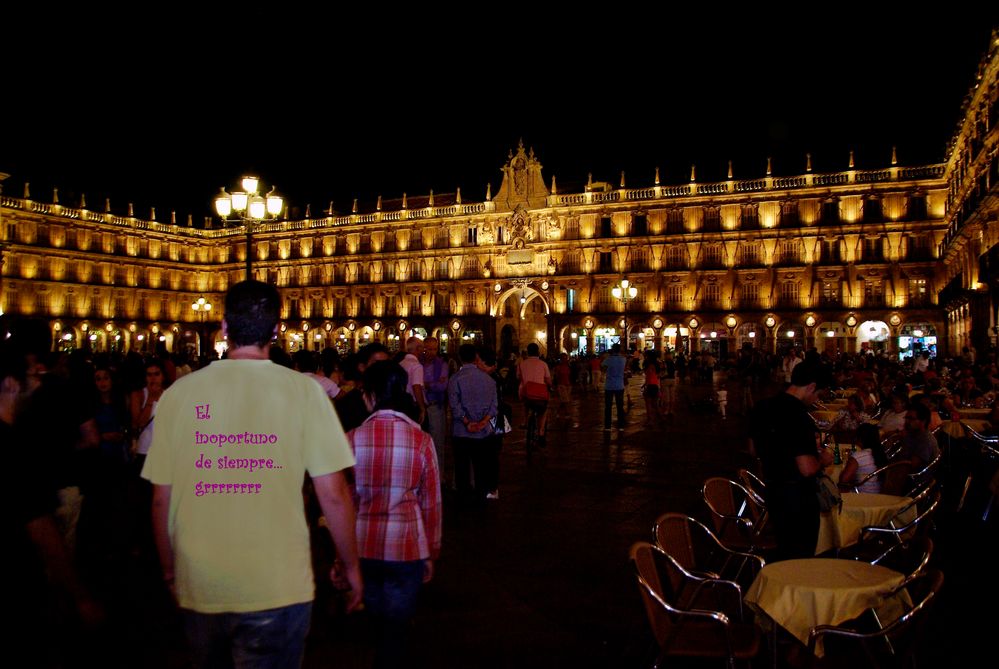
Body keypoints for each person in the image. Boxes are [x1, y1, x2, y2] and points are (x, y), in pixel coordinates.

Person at [142, 280, 362, 668]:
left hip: (201, 582)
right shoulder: (305, 392)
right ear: (277, 330)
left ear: (224, 327)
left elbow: (161, 497)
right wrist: (351, 566)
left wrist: (169, 571)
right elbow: (334, 494)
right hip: (279, 585)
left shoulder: (178, 394)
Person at [347, 360, 442, 668]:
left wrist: (341, 557)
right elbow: (432, 503)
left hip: (363, 546)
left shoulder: (350, 439)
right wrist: (431, 550)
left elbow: (344, 503)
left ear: (370, 396)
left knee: (375, 622)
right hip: (406, 548)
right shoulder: (422, 440)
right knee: (397, 627)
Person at [749, 362, 834, 560]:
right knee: (800, 556)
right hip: (798, 498)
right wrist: (823, 459)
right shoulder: (799, 416)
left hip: (772, 490)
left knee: (783, 550)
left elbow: (753, 450)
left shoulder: (762, 407)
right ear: (812, 387)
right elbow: (806, 468)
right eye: (818, 394)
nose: (816, 400)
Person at [448, 343, 499, 503]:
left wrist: (467, 422)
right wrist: (483, 422)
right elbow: (494, 406)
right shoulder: (489, 380)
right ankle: (481, 496)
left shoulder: (455, 379)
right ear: (476, 358)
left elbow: (454, 405)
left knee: (462, 467)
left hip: (461, 431)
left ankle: (463, 497)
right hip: (483, 432)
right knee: (480, 466)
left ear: (459, 357)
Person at [422, 336, 450, 487]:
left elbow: (442, 386)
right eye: (429, 349)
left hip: (435, 406)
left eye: (435, 349)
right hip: (421, 406)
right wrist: (433, 383)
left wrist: (425, 385)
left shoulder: (442, 365)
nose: (432, 352)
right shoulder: (418, 364)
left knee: (438, 441)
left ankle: (439, 475)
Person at [838, 423, 888, 493]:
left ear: (860, 438)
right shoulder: (881, 455)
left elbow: (843, 480)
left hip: (862, 496)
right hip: (878, 495)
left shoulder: (858, 457)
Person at [517, 343, 552, 444]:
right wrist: (549, 385)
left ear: (528, 352)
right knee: (543, 411)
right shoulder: (543, 364)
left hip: (526, 393)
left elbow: (518, 377)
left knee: (525, 402)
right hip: (539, 394)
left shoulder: (521, 364)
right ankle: (541, 432)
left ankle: (525, 421)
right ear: (538, 352)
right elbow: (548, 380)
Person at [400, 336, 427, 424]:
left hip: (402, 403)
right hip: (413, 405)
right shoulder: (416, 366)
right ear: (418, 348)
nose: (423, 350)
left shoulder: (401, 363)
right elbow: (416, 386)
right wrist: (422, 408)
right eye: (422, 347)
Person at [602, 343, 627, 431]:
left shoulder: (608, 359)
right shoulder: (623, 359)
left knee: (608, 406)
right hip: (619, 385)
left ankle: (607, 426)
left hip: (609, 385)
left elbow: (603, 369)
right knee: (620, 406)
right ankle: (621, 426)